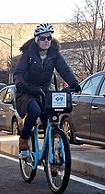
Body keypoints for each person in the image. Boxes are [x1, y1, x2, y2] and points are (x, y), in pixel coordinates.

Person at [13, 23, 81, 154]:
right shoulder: (29, 54)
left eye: (49, 38)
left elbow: (64, 70)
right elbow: (18, 72)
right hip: (27, 92)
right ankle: (24, 137)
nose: (46, 41)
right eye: (43, 38)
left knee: (49, 120)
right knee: (34, 111)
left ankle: (51, 158)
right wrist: (20, 84)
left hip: (45, 92)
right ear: (37, 39)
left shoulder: (54, 54)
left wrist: (74, 83)